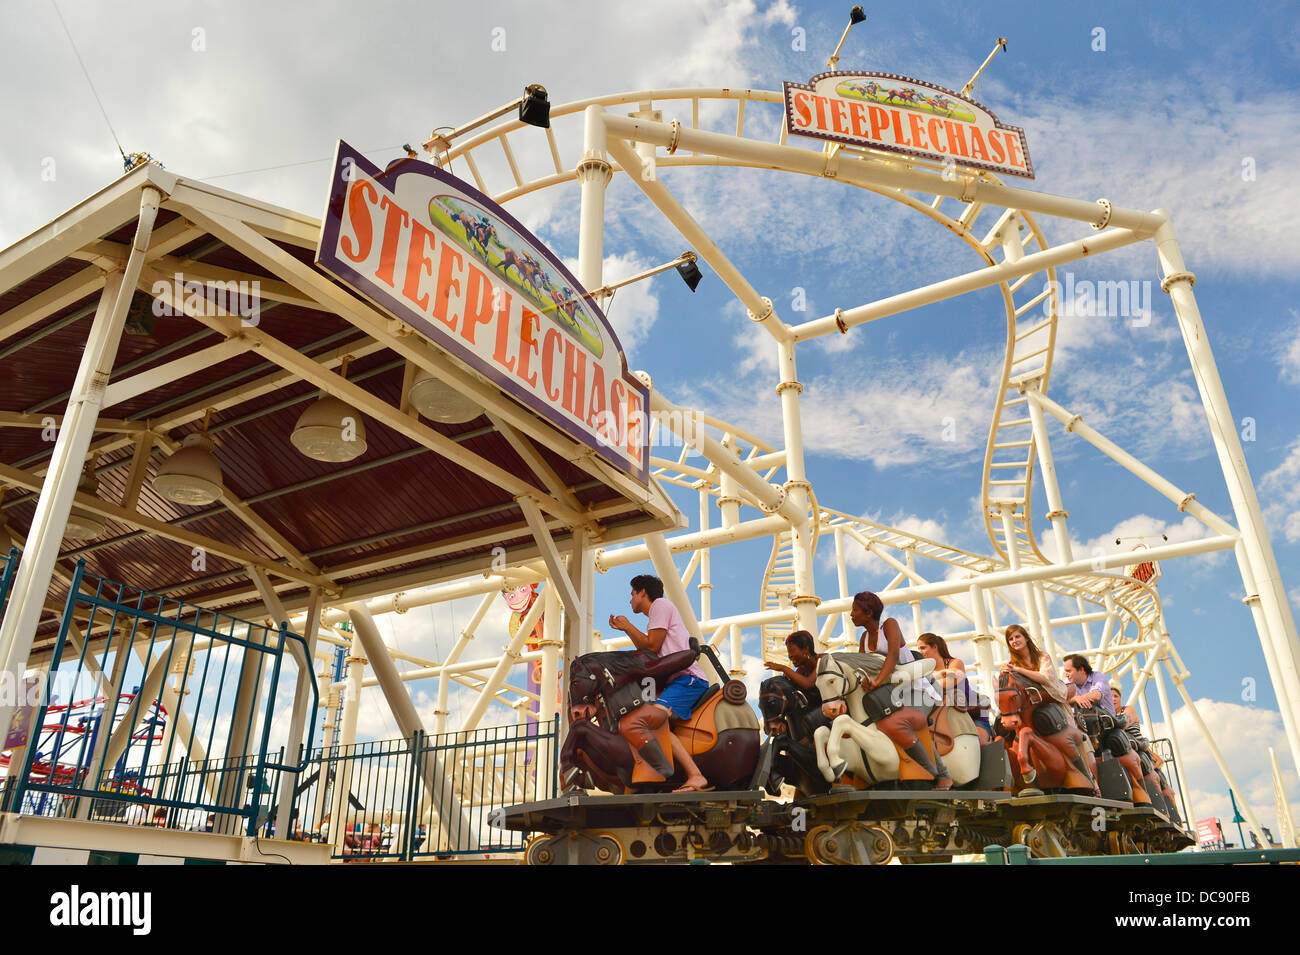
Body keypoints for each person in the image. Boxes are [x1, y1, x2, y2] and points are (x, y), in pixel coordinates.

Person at [607, 574, 710, 792]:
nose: (630, 599)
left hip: (688, 679)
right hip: (677, 681)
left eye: (632, 594)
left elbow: (652, 647)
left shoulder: (660, 606)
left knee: (651, 721)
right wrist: (628, 629)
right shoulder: (656, 615)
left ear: (643, 592)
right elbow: (646, 651)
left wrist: (628, 626)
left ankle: (695, 775)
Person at [916, 632, 991, 743]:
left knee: (979, 742)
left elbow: (950, 681)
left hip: (972, 714)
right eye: (919, 649)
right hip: (944, 716)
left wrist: (925, 683)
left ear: (935, 647)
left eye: (923, 648)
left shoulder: (954, 663)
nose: (920, 652)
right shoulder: (926, 671)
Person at [854, 591, 915, 665]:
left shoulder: (890, 624)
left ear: (869, 613)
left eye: (855, 610)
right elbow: (862, 666)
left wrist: (880, 677)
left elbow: (893, 657)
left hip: (912, 675)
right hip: (890, 676)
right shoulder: (864, 637)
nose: (851, 614)